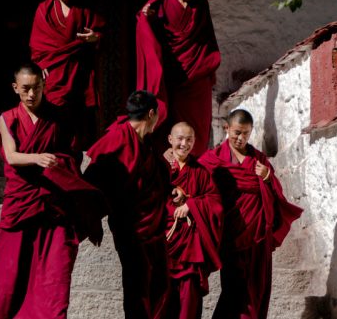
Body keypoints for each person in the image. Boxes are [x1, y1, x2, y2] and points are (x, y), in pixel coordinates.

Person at [0, 62, 105, 319]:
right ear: (15, 88)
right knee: (6, 280)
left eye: (37, 88)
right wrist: (38, 158)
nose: (32, 94)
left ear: (44, 86)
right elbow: (11, 157)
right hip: (20, 206)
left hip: (54, 206)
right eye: (25, 89)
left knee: (54, 278)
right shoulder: (6, 118)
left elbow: (71, 158)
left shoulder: (57, 118)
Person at [198, 109, 303, 319]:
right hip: (231, 237)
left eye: (246, 133)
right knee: (234, 291)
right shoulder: (214, 158)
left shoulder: (258, 159)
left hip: (258, 238)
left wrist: (267, 178)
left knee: (256, 291)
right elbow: (196, 180)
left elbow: (276, 194)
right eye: (237, 132)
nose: (240, 138)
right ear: (227, 128)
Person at [83, 90, 171, 318]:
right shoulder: (116, 139)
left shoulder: (147, 141)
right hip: (129, 227)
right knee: (137, 286)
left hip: (154, 225)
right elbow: (92, 182)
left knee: (159, 285)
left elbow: (156, 177)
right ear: (151, 113)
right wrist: (93, 221)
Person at [136, 0, 221, 156]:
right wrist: (148, 19)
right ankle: (168, 161)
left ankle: (195, 161)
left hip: (197, 71)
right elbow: (146, 26)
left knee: (198, 119)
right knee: (169, 119)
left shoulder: (200, 4)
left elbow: (205, 37)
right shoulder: (162, 3)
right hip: (172, 74)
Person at [29, 0, 104, 151]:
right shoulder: (43, 10)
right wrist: (41, 65)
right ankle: (48, 149)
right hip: (54, 71)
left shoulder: (84, 9)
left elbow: (101, 33)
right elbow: (37, 44)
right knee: (52, 112)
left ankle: (73, 154)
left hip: (78, 70)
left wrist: (95, 37)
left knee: (77, 117)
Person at [163, 122, 224, 319]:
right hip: (163, 244)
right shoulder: (161, 167)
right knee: (161, 301)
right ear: (170, 139)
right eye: (180, 139)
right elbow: (149, 196)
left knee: (189, 302)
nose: (184, 144)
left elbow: (215, 202)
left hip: (190, 249)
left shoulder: (200, 171)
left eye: (189, 140)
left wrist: (191, 205)